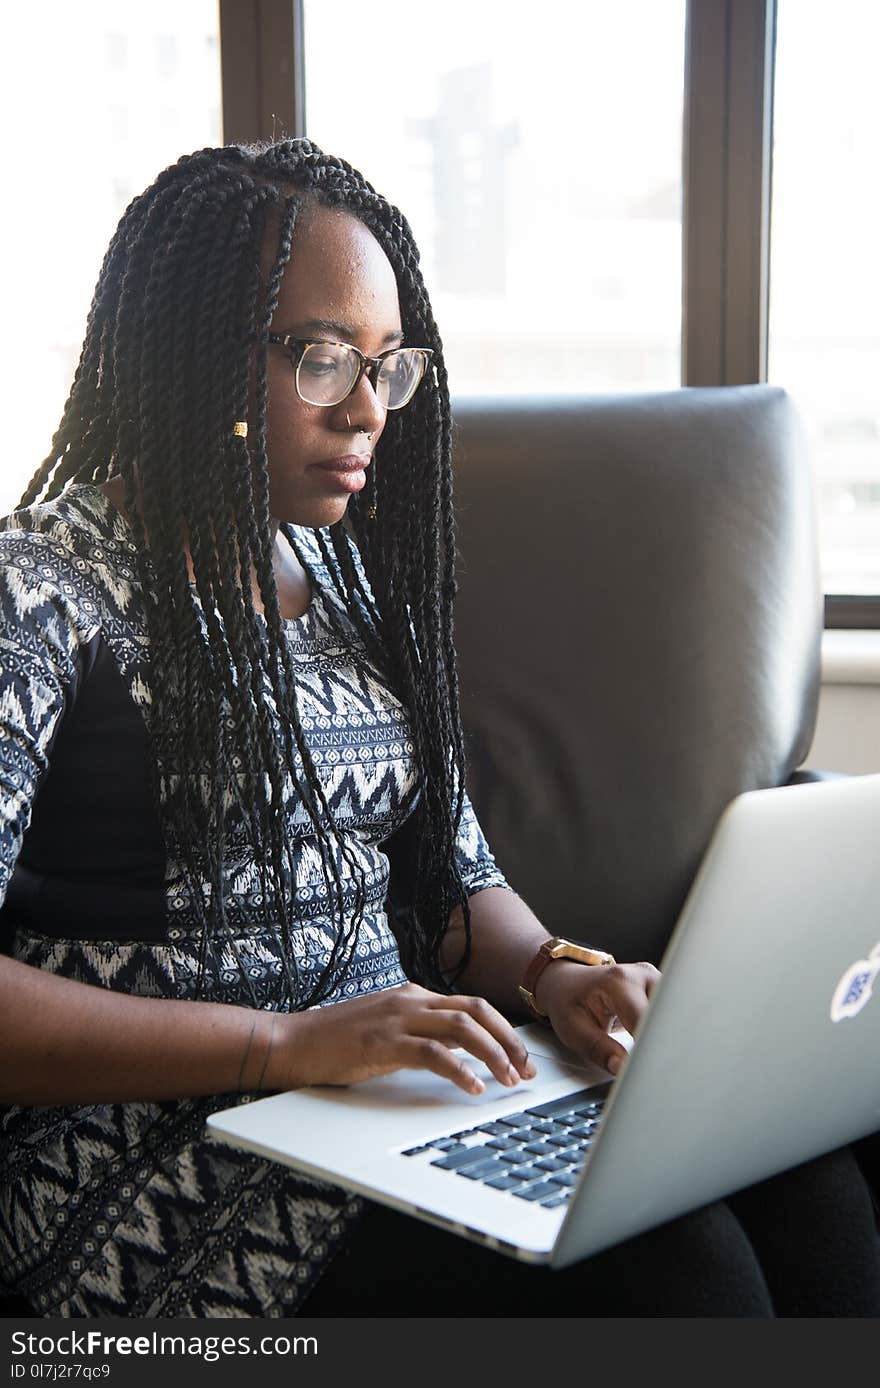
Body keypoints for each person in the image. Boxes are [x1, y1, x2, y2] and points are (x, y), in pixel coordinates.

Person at [0, 139, 877, 1319]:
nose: (369, 410)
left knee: (811, 1186)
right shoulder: (40, 591)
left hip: (386, 1107)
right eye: (321, 360)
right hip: (154, 1167)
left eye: (385, 365)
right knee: (682, 1279)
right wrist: (285, 1044)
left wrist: (556, 970)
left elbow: (454, 878)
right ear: (189, 350)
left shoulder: (348, 579)